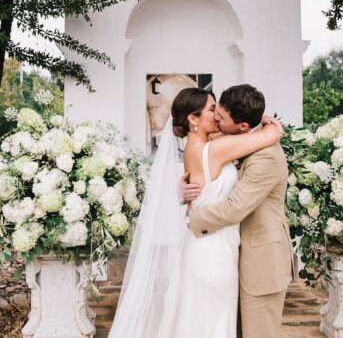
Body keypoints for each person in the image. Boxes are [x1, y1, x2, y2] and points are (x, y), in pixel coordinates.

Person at [108, 86, 284, 338]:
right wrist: (272, 126)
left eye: (218, 110)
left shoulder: (204, 144)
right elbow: (268, 137)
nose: (217, 116)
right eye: (213, 109)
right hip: (214, 251)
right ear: (192, 118)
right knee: (214, 323)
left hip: (206, 246)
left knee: (200, 320)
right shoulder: (214, 149)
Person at [184, 84, 294, 338]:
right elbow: (201, 153)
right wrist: (186, 188)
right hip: (230, 254)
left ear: (243, 125)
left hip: (261, 262)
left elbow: (235, 209)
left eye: (220, 117)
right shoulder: (236, 137)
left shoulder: (266, 156)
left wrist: (194, 218)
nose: (216, 121)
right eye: (215, 113)